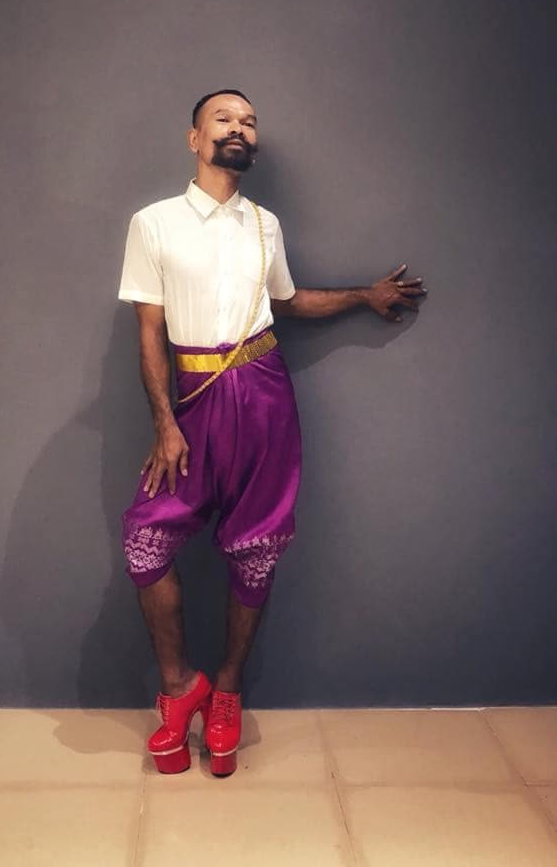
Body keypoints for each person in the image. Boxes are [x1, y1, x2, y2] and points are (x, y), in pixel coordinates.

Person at [117, 88, 428, 776]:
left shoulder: (265, 225)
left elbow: (285, 301)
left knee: (254, 548)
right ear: (194, 138)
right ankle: (179, 687)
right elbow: (149, 331)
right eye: (224, 118)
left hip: (262, 394)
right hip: (193, 396)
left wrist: (363, 295)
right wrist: (165, 422)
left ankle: (227, 691)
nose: (240, 128)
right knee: (146, 542)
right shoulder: (154, 223)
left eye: (250, 121)